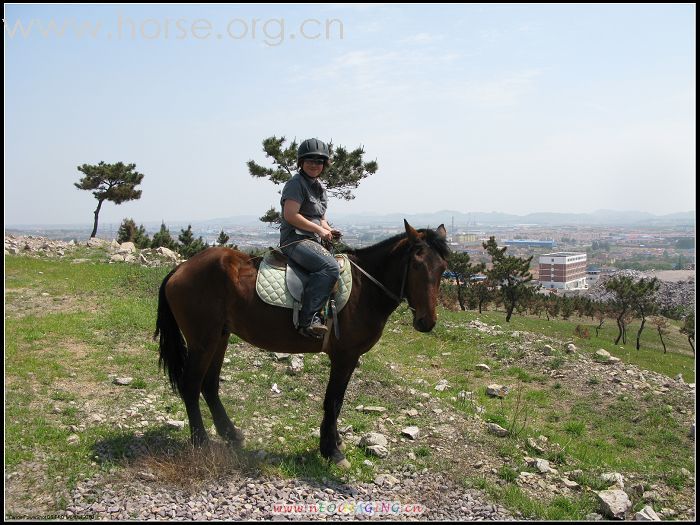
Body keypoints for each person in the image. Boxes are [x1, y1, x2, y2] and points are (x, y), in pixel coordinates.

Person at [279, 138, 342, 339]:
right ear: (301, 162)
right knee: (330, 267)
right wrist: (318, 229)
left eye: (319, 161)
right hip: (294, 240)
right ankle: (308, 320)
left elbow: (320, 218)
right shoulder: (295, 184)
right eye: (310, 160)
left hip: (312, 240)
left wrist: (328, 229)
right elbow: (291, 215)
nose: (315, 165)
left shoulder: (320, 188)